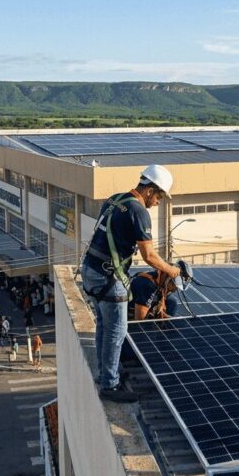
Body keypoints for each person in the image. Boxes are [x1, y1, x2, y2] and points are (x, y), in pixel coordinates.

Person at [80, 164, 181, 403]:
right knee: (117, 330)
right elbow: (149, 256)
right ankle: (110, 385)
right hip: (108, 276)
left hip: (91, 269)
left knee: (104, 325)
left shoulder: (114, 199)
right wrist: (172, 270)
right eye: (159, 196)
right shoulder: (139, 211)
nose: (158, 202)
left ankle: (106, 372)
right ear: (149, 191)